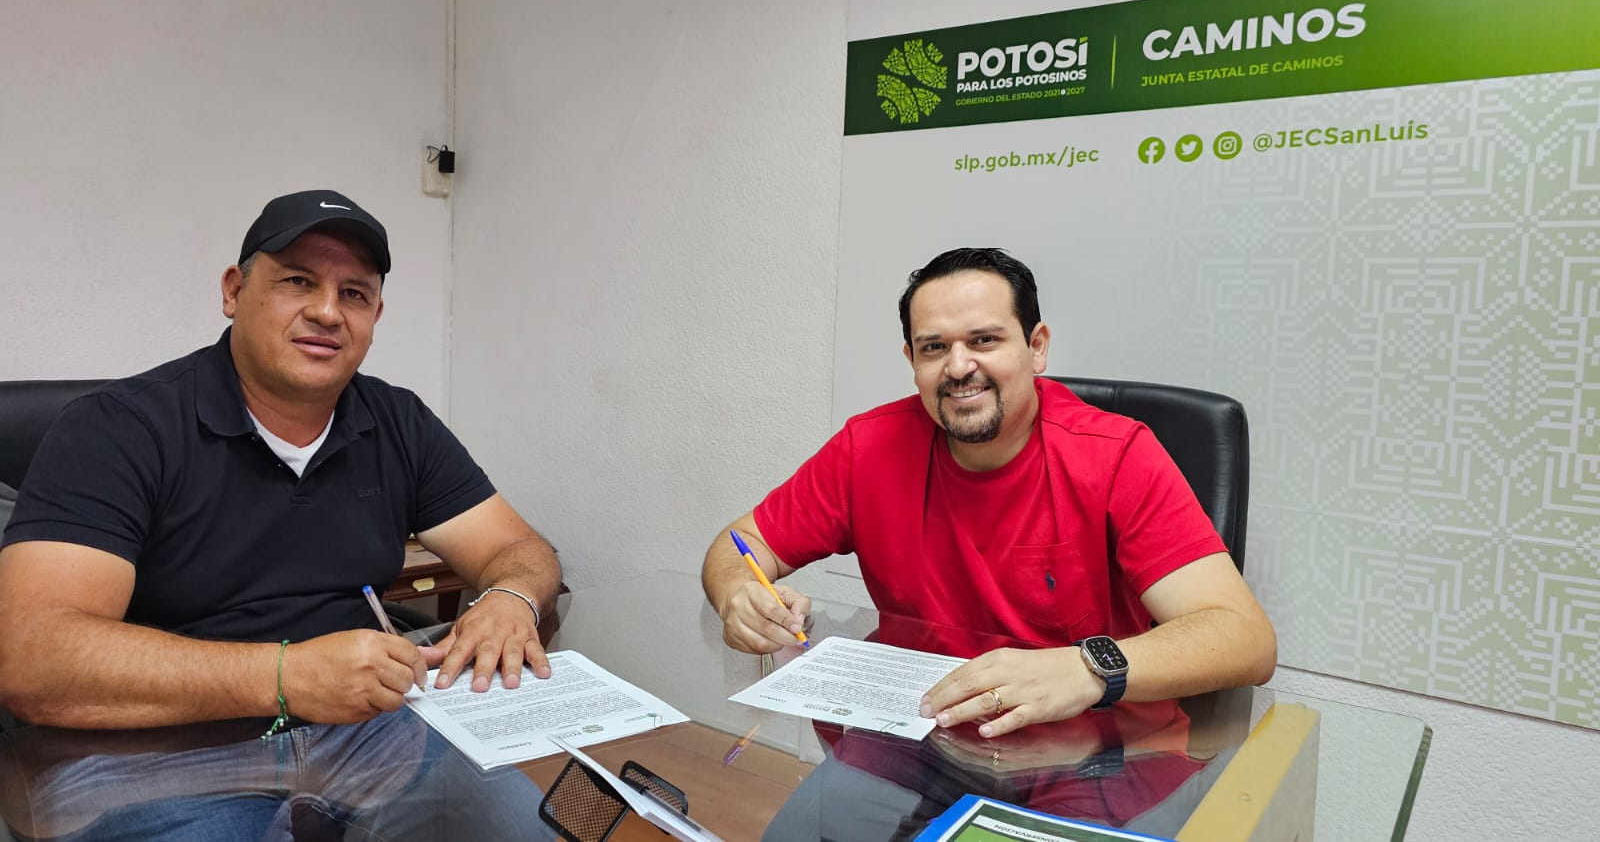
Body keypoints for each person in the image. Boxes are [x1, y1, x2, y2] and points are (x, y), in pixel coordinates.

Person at [0, 190, 561, 838]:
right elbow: (31, 655)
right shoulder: (118, 429)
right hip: (156, 750)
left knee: (532, 827)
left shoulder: (398, 421)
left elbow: (520, 549)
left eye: (354, 294)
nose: (327, 311)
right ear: (234, 291)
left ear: (375, 315)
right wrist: (285, 676)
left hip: (369, 731)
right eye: (298, 281)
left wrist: (511, 599)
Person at [703, 247, 1275, 741]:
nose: (959, 367)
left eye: (984, 340)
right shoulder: (868, 446)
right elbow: (742, 542)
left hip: (1094, 750)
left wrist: (1085, 669)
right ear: (912, 361)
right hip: (919, 736)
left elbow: (1245, 639)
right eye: (934, 348)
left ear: (1036, 346)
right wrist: (737, 594)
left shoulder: (1116, 454)